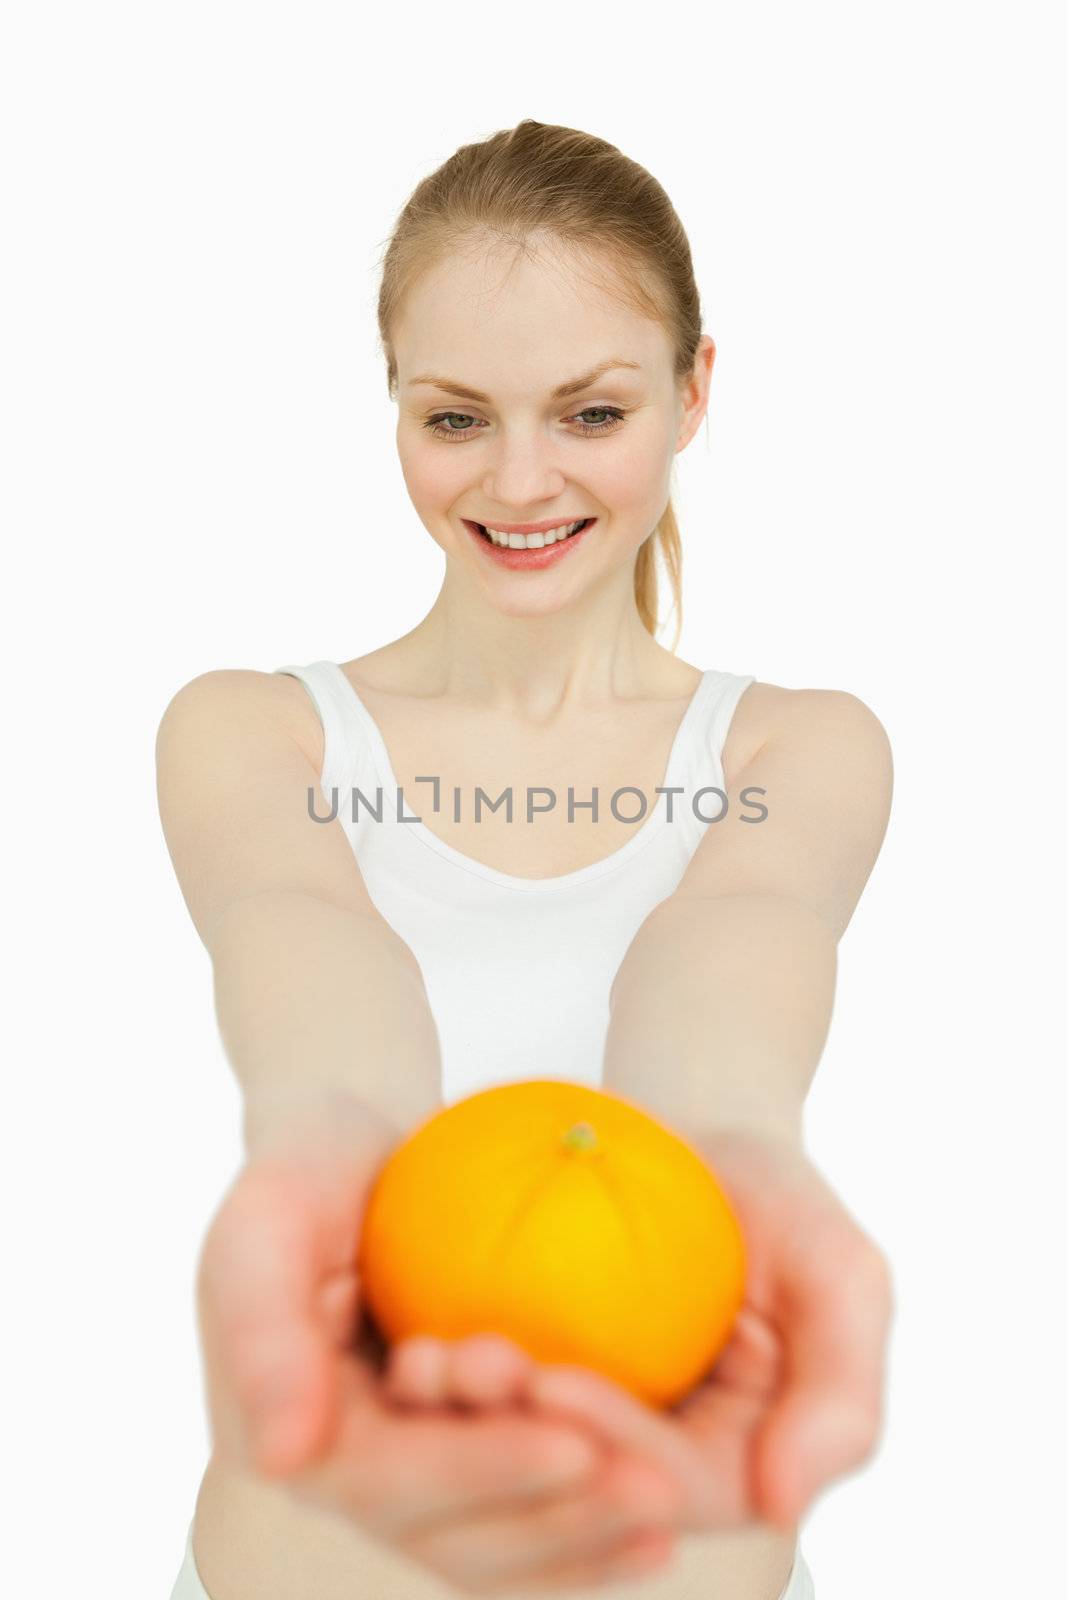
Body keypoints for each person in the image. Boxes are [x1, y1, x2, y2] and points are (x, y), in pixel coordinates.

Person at [157, 119, 893, 1600]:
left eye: (589, 413)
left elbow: (726, 982)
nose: (520, 479)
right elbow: (314, 969)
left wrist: (727, 1162)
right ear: (394, 408)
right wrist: (325, 1140)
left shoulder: (794, 753)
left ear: (693, 393)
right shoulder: (255, 736)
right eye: (455, 419)